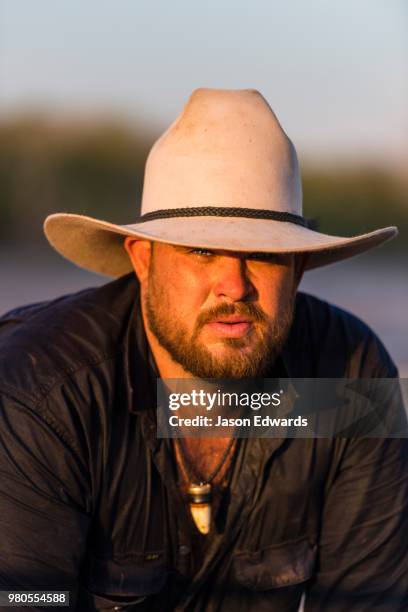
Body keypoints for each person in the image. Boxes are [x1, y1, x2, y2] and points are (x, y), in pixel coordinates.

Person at [0, 88, 407, 611]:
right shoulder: (42, 392)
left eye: (263, 254)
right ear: (144, 261)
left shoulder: (349, 382)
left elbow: (367, 601)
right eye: (201, 250)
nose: (234, 286)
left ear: (299, 269)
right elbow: (29, 602)